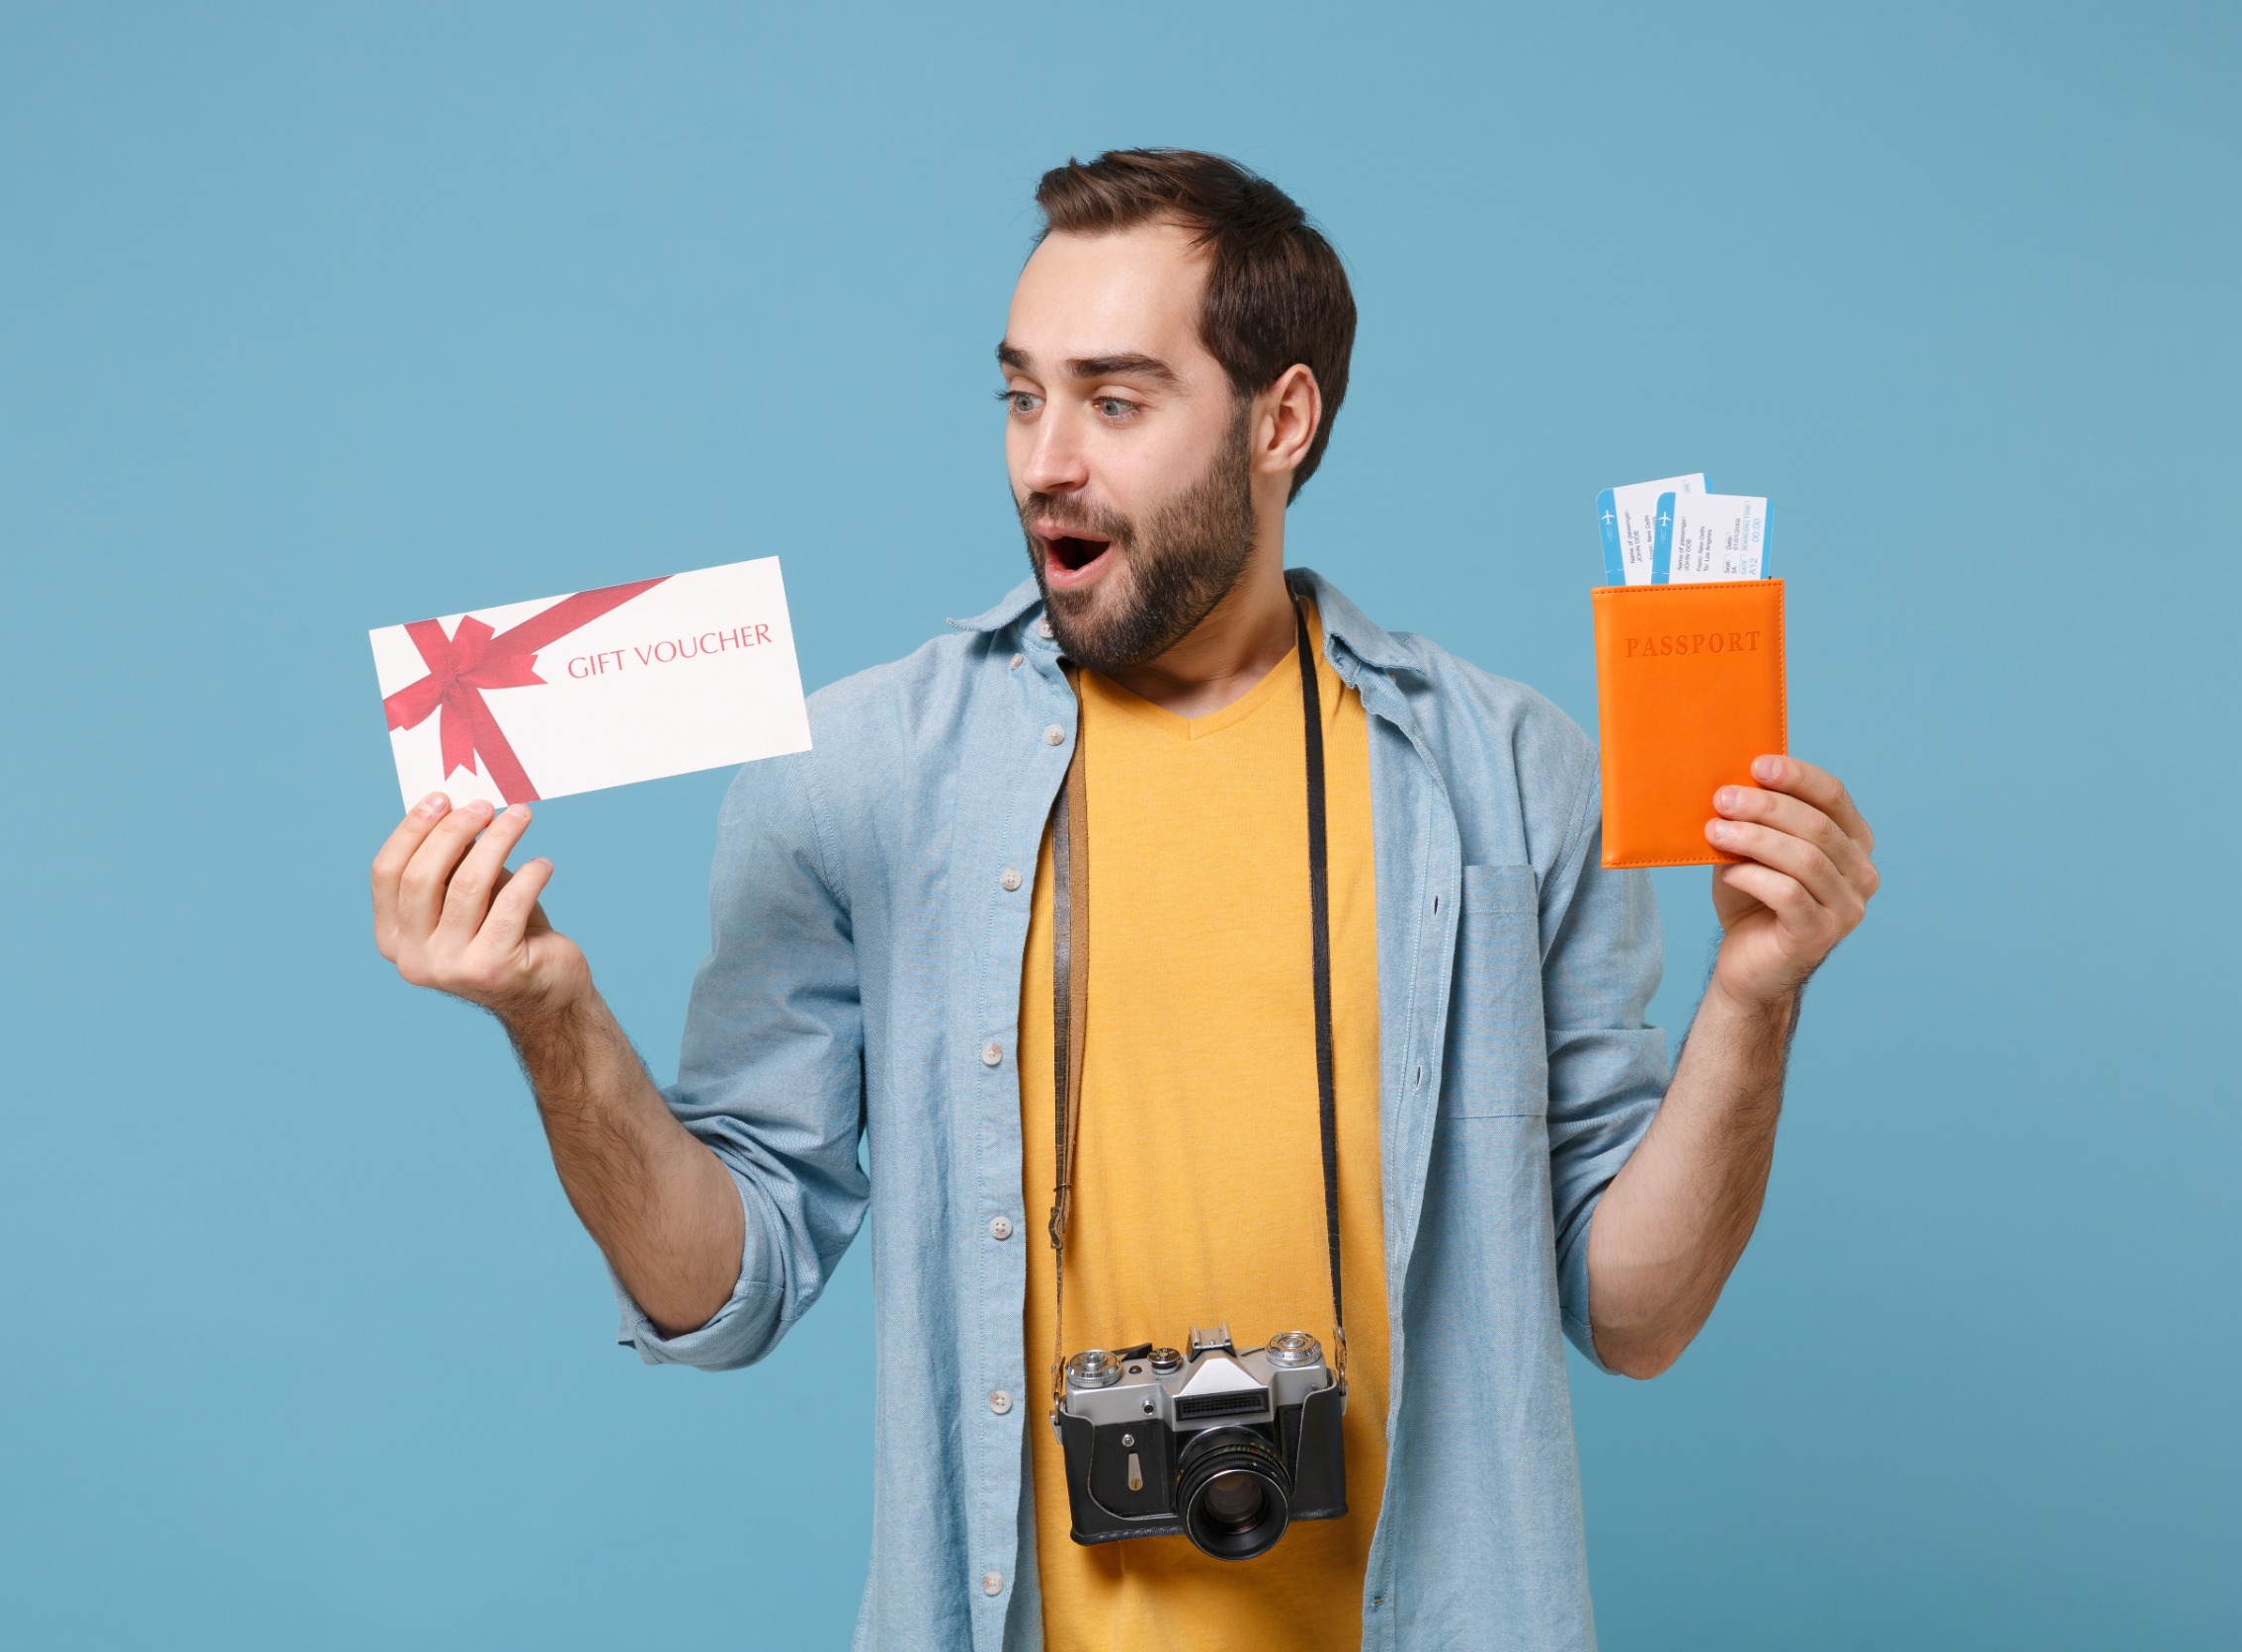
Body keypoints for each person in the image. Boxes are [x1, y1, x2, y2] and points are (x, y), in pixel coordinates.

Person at [367, 149, 1879, 1651]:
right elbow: (722, 1288)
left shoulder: (1511, 775)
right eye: (1022, 396)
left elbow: (1636, 1312)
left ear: (1281, 421)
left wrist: (1755, 996)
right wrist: (553, 1019)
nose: (1045, 462)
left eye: (1115, 400)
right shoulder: (857, 778)